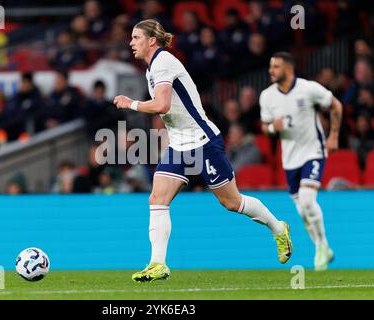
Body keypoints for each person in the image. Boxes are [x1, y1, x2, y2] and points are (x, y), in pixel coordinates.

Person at [113, 19, 292, 282]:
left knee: (233, 203)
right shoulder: (152, 69)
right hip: (179, 145)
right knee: (157, 200)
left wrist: (132, 104)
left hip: (203, 142)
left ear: (152, 40)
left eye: (136, 37)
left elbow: (162, 105)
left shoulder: (163, 61)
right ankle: (157, 264)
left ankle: (279, 228)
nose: (131, 42)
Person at [259, 52, 343, 271]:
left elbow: (336, 105)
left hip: (313, 151)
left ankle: (322, 247)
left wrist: (333, 136)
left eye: (276, 66)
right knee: (302, 210)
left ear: (288, 68)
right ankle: (323, 247)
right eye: (271, 66)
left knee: (307, 200)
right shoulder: (267, 96)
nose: (271, 71)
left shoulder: (308, 89)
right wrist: (271, 128)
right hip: (290, 160)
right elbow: (264, 126)